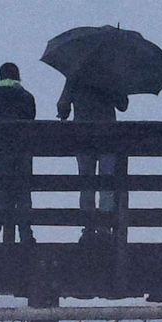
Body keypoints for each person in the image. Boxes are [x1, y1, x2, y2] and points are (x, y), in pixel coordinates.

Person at [57, 77, 129, 241]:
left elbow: (63, 107)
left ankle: (88, 227)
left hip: (83, 137)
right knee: (106, 182)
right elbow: (123, 105)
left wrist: (66, 111)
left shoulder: (76, 75)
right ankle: (104, 227)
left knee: (86, 183)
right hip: (107, 136)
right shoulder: (111, 75)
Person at [0, 62, 37, 243]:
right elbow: (32, 119)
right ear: (18, 76)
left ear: (1, 76)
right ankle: (26, 235)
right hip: (22, 151)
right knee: (23, 193)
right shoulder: (26, 96)